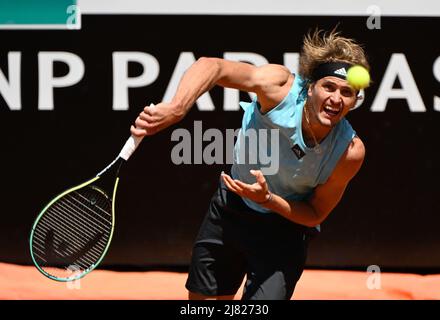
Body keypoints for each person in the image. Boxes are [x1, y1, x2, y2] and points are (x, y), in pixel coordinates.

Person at [131, 28, 369, 300]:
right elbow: (212, 66)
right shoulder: (279, 87)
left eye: (347, 92)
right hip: (231, 209)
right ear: (311, 85)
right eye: (329, 86)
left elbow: (315, 213)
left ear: (354, 101)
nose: (336, 99)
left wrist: (269, 199)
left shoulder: (349, 152)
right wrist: (177, 108)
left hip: (284, 230)